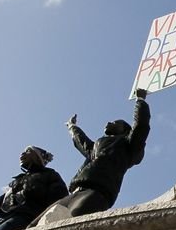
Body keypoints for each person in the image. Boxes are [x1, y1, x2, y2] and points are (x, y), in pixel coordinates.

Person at [37, 89, 151, 221]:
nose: (109, 123)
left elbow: (141, 126)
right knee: (32, 226)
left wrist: (140, 100)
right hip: (74, 192)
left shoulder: (128, 145)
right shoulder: (96, 147)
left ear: (125, 130)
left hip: (97, 193)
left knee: (73, 221)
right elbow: (82, 142)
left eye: (115, 122)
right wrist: (72, 127)